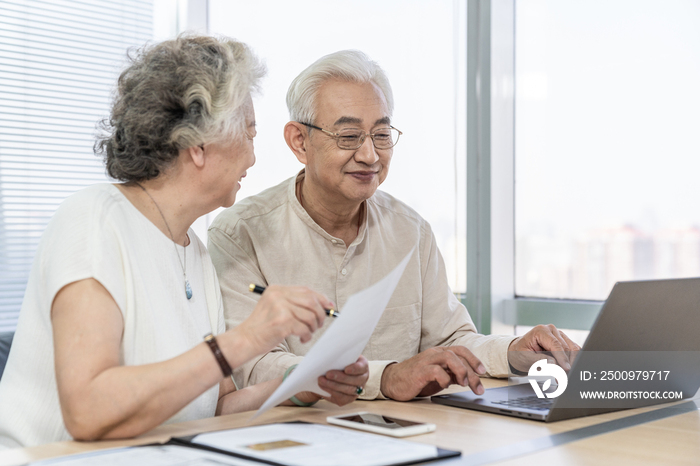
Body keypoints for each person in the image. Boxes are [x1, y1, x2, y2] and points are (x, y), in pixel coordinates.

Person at [0, 36, 368, 449]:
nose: (252, 157)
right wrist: (245, 339)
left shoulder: (195, 252)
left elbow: (216, 406)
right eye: (248, 134)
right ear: (198, 145)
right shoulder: (94, 220)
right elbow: (88, 410)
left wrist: (300, 385)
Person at [208, 50, 580, 402]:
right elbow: (253, 368)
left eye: (382, 135)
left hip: (406, 432)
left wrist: (515, 353)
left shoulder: (411, 231)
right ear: (299, 141)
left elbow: (452, 339)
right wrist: (385, 377)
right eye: (349, 136)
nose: (370, 155)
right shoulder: (239, 234)